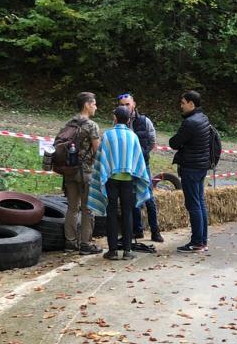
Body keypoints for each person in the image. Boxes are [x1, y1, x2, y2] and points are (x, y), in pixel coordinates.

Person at [87, 106, 152, 260]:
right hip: (128, 181)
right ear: (129, 120)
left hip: (111, 179)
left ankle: (113, 251)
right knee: (128, 212)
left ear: (115, 118)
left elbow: (101, 157)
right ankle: (128, 251)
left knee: (111, 212)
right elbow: (138, 160)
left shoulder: (108, 135)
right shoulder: (133, 136)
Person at [168, 90, 212, 253]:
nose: (181, 106)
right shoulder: (203, 118)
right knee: (199, 202)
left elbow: (174, 142)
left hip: (191, 167)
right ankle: (202, 240)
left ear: (191, 104)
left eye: (183, 103)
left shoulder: (190, 122)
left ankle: (197, 242)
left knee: (193, 205)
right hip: (201, 166)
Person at [117, 92, 164, 243]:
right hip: (127, 166)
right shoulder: (118, 122)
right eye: (122, 105)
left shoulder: (144, 121)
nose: (125, 107)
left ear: (134, 104)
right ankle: (137, 231)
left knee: (148, 198)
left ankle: (155, 231)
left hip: (143, 164)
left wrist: (142, 154)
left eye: (127, 104)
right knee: (131, 198)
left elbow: (152, 140)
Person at [60, 92, 103, 255]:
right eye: (94, 104)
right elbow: (97, 150)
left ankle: (70, 242)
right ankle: (86, 244)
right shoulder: (92, 125)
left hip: (69, 171)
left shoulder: (70, 122)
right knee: (87, 209)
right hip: (85, 172)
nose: (96, 107)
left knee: (72, 208)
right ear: (87, 105)